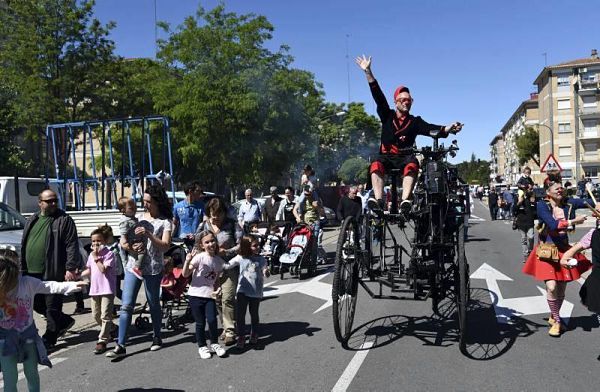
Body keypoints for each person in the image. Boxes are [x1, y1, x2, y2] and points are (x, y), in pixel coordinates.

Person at [355, 55, 463, 214]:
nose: (407, 102)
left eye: (409, 100)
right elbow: (378, 96)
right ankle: (378, 201)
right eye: (403, 100)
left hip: (405, 158)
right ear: (396, 102)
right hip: (386, 157)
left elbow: (431, 129)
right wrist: (368, 72)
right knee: (375, 164)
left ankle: (406, 200)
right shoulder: (387, 115)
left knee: (413, 164)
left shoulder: (415, 121)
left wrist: (449, 128)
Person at [0, 249, 85, 392]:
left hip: (28, 337)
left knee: (32, 374)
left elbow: (49, 286)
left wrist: (71, 286)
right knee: (10, 378)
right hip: (5, 340)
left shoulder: (26, 283)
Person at [522, 177, 596, 336]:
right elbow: (553, 225)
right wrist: (574, 221)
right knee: (552, 287)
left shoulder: (568, 203)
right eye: (557, 189)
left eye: (561, 188)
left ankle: (554, 314)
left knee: (561, 290)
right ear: (548, 192)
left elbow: (586, 202)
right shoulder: (543, 205)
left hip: (563, 249)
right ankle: (556, 321)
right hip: (547, 251)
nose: (560, 190)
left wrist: (595, 204)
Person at [107, 184, 173, 358]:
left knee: (153, 303)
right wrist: (129, 246)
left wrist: (149, 234)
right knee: (126, 304)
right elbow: (125, 239)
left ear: (157, 202)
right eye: (143, 201)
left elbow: (165, 246)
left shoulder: (165, 221)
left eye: (148, 202)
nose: (145, 205)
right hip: (133, 265)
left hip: (153, 267)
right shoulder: (136, 218)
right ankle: (120, 344)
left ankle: (157, 337)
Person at [20, 189, 81, 349]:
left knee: (52, 305)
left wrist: (71, 267)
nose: (53, 203)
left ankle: (50, 338)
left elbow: (71, 244)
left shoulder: (63, 220)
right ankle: (64, 321)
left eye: (55, 200)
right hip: (30, 272)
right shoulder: (32, 219)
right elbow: (24, 243)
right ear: (40, 203)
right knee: (34, 303)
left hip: (52, 270)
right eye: (49, 201)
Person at [197, 197, 243, 346]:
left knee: (228, 297)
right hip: (210, 269)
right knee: (217, 299)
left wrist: (227, 252)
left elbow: (241, 245)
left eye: (218, 213)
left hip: (229, 266)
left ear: (224, 213)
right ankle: (226, 325)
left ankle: (230, 331)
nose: (215, 217)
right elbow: (197, 244)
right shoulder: (204, 226)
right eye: (212, 213)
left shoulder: (232, 225)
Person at [182, 230, 226, 359]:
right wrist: (187, 260)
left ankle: (215, 343)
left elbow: (216, 279)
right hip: (195, 295)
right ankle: (202, 346)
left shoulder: (219, 261)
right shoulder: (199, 257)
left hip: (209, 296)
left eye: (212, 241)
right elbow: (185, 274)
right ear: (202, 245)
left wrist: (218, 289)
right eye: (207, 242)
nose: (210, 244)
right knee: (200, 322)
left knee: (212, 320)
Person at [223, 235, 270, 349]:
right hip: (242, 291)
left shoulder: (261, 259)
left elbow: (265, 269)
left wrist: (266, 272)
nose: (257, 247)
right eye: (255, 246)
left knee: (254, 314)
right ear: (246, 246)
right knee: (240, 315)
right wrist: (215, 264)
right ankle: (241, 336)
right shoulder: (240, 258)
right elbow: (227, 265)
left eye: (258, 245)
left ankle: (254, 333)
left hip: (255, 291)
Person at [79, 228, 117, 354]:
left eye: (98, 241)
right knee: (95, 315)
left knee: (105, 315)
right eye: (93, 241)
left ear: (104, 241)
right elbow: (89, 270)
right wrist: (78, 276)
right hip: (95, 289)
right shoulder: (91, 255)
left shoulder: (109, 254)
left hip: (107, 289)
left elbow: (103, 269)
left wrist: (96, 257)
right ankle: (111, 328)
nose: (95, 244)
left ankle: (102, 340)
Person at [117, 197, 150, 280]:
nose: (134, 209)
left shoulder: (132, 218)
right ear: (122, 210)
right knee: (142, 251)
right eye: (131, 208)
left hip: (136, 240)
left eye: (135, 207)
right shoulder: (124, 221)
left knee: (142, 252)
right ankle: (137, 268)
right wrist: (128, 245)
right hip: (133, 242)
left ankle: (137, 267)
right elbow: (123, 236)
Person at [293, 184, 323, 265]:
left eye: (309, 195)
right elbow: (294, 210)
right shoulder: (302, 199)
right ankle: (302, 259)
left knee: (314, 241)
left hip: (315, 222)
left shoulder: (316, 199)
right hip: (305, 222)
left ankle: (313, 262)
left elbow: (322, 213)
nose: (307, 196)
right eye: (306, 194)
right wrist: (298, 217)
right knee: (303, 241)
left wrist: (317, 207)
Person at [172, 180, 205, 249]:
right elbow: (174, 224)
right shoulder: (177, 206)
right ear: (190, 191)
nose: (200, 193)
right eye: (198, 191)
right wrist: (170, 238)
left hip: (197, 242)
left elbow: (205, 223)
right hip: (182, 242)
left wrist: (196, 235)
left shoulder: (202, 206)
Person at [513, 188, 537, 262]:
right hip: (521, 222)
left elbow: (535, 208)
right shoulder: (517, 198)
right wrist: (519, 202)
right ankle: (526, 256)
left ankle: (530, 251)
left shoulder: (530, 198)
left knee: (531, 237)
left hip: (529, 222)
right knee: (524, 240)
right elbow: (514, 210)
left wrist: (533, 202)